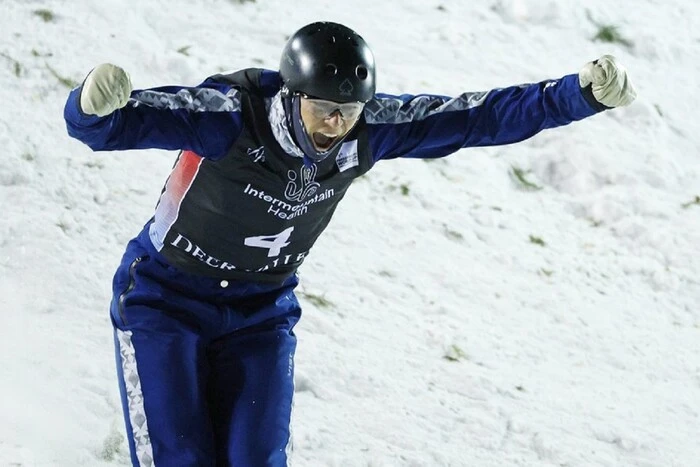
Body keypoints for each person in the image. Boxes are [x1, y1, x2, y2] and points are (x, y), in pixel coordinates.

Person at [64, 21, 636, 467]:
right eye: (324, 108)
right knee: (182, 458)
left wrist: (576, 95)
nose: (336, 124)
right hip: (165, 302)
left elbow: (478, 117)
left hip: (260, 314)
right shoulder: (233, 116)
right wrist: (93, 107)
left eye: (348, 111)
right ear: (293, 94)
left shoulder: (369, 130)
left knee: (255, 460)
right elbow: (123, 122)